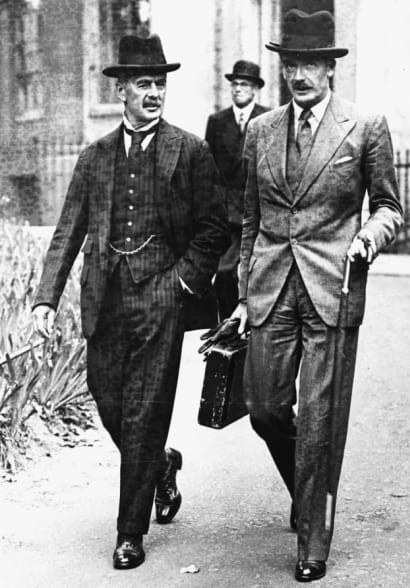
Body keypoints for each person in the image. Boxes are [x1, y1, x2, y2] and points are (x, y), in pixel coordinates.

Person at [32, 34, 229, 570]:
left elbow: (216, 227)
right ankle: (162, 465)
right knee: (106, 396)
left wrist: (182, 282)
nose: (154, 94)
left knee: (145, 413)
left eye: (160, 84)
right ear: (121, 91)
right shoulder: (94, 157)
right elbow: (67, 232)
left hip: (160, 299)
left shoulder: (189, 150)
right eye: (144, 84)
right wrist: (44, 300)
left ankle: (129, 532)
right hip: (106, 299)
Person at [232, 9, 403, 583]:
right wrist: (242, 292)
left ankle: (313, 535)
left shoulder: (365, 126)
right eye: (290, 65)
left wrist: (368, 237)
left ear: (331, 70)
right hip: (271, 287)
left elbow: (389, 207)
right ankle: (309, 491)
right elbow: (249, 220)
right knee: (266, 410)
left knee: (323, 417)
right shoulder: (260, 130)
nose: (299, 75)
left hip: (332, 285)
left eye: (310, 64)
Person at [205, 60, 269, 318]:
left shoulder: (268, 118)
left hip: (260, 212)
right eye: (234, 85)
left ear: (255, 89)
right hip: (228, 215)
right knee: (224, 275)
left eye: (244, 84)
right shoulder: (217, 121)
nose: (238, 89)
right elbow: (209, 169)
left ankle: (251, 335)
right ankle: (226, 331)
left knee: (257, 276)